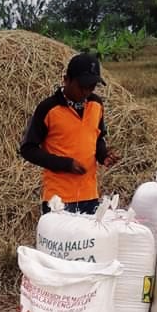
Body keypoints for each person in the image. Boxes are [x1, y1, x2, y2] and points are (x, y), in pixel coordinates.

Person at [19, 52, 120, 214]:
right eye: (82, 86)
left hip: (89, 196)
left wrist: (103, 155)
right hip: (59, 200)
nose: (87, 92)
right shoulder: (48, 109)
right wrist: (65, 164)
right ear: (67, 80)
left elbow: (98, 138)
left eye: (92, 87)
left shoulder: (96, 105)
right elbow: (27, 149)